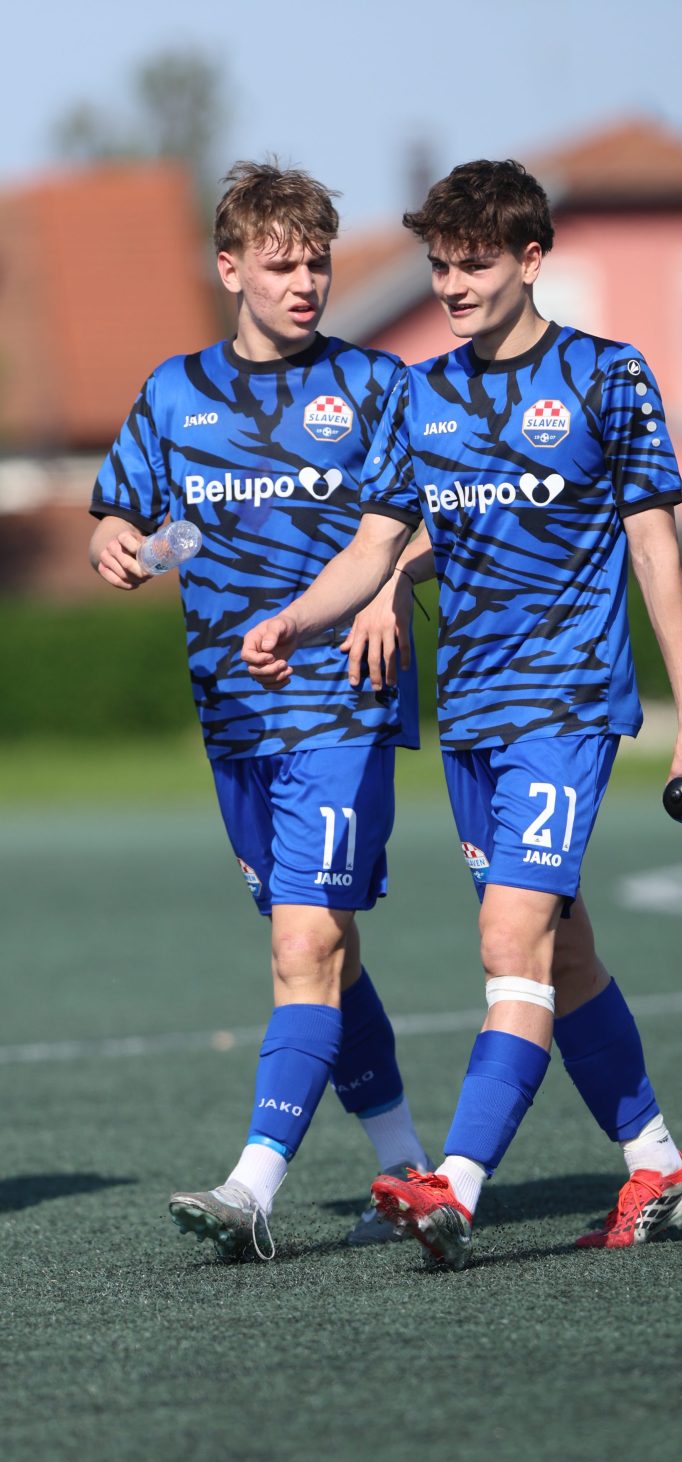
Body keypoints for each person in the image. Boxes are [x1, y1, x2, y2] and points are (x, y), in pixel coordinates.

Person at [241, 157, 682, 1269]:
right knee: (562, 955)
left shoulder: (607, 376)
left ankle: (455, 1187)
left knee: (509, 937)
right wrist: (297, 619)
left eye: (474, 264)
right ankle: (659, 1165)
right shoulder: (418, 393)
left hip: (566, 704)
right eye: (439, 266)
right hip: (468, 716)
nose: (453, 285)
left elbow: (656, 553)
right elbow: (377, 545)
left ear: (531, 258)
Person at [87, 159, 432, 1262]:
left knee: (304, 942)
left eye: (317, 263)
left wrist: (386, 588)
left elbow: (426, 519)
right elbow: (150, 522)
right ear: (229, 268)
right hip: (233, 716)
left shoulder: (375, 385)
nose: (306, 283)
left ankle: (252, 1187)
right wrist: (123, 546)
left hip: (338, 703)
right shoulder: (174, 392)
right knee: (329, 952)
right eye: (281, 265)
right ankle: (407, 1167)